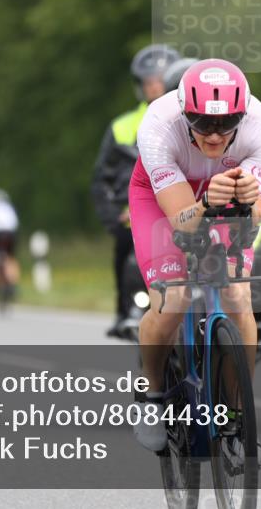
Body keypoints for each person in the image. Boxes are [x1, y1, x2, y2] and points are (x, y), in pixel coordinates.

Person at [129, 58, 261, 463]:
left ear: (242, 116)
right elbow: (182, 222)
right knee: (171, 300)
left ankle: (237, 421)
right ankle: (152, 394)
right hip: (162, 199)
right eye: (202, 123)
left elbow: (253, 220)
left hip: (222, 192)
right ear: (184, 113)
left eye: (226, 124)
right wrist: (206, 199)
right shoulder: (158, 125)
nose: (214, 134)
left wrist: (248, 200)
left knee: (238, 297)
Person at [91, 44, 181, 338]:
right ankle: (128, 309)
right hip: (136, 213)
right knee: (126, 249)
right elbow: (101, 178)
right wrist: (114, 218)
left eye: (161, 80)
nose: (155, 87)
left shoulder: (194, 118)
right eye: (149, 81)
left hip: (183, 207)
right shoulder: (122, 127)